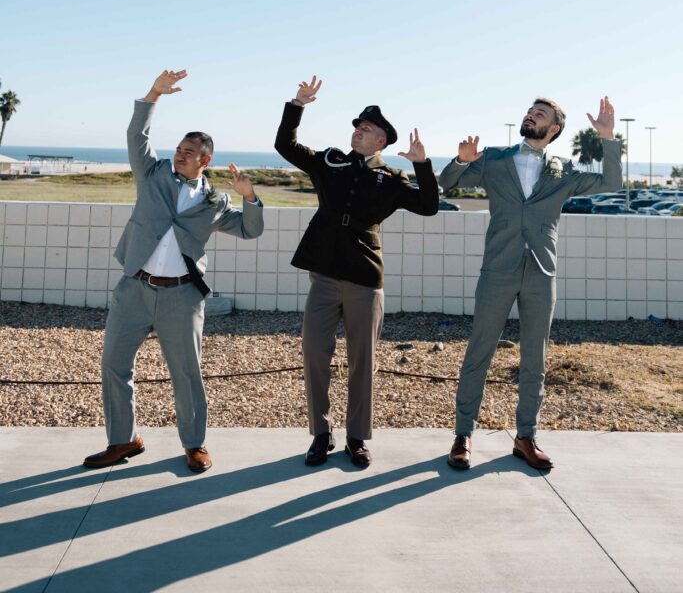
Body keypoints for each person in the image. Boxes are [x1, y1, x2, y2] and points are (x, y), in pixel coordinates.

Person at [84, 69, 263, 474]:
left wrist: (250, 196)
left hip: (182, 296)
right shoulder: (151, 175)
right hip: (134, 289)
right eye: (179, 147)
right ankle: (123, 440)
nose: (180, 153)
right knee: (114, 365)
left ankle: (195, 444)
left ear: (206, 160)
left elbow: (251, 230)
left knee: (186, 372)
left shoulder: (214, 204)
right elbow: (137, 138)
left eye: (189, 151)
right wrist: (153, 95)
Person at [441, 96, 622, 471]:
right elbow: (447, 184)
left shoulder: (565, 170)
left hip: (541, 272)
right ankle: (463, 435)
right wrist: (461, 159)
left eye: (539, 114)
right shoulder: (494, 159)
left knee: (534, 360)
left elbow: (612, 181)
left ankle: (525, 437)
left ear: (553, 129)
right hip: (498, 268)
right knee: (480, 351)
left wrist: (609, 138)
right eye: (529, 111)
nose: (530, 116)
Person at [275, 75, 439, 468]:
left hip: (365, 277)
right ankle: (320, 434)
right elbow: (286, 146)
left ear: (382, 140)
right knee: (315, 353)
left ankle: (356, 437)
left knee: (362, 361)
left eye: (366, 129)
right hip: (325, 274)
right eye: (357, 127)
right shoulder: (331, 161)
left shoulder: (391, 178)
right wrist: (297, 105)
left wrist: (423, 166)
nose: (358, 131)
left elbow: (429, 206)